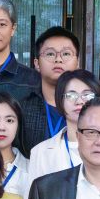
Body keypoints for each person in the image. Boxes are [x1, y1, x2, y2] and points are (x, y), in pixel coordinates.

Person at [18, 26, 83, 154]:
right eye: (50, 54)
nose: (58, 59)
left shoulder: (90, 107)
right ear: (37, 63)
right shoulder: (22, 108)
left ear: (77, 63)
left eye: (66, 54)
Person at [28, 69, 100, 179]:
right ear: (60, 101)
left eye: (87, 95)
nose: (79, 101)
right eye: (71, 95)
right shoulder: (40, 152)